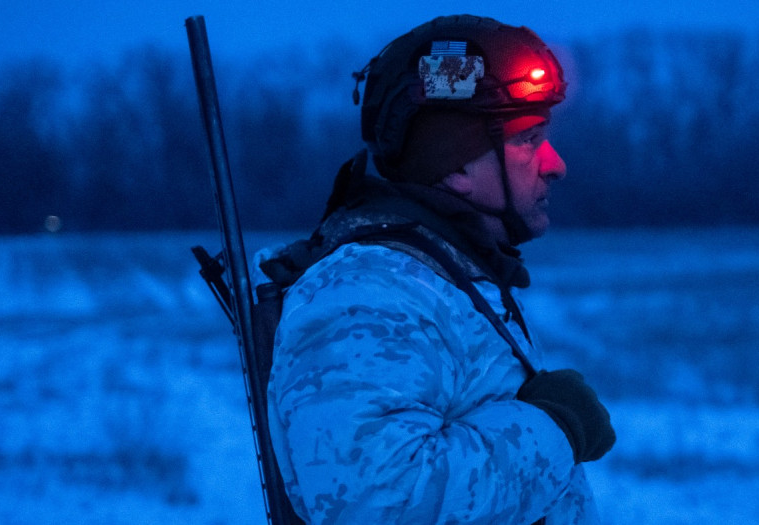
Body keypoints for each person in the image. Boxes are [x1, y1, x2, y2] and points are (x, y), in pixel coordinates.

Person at [256, 14, 615, 524]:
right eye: (527, 139)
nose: (554, 163)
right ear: (458, 165)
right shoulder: (368, 295)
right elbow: (379, 501)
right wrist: (555, 428)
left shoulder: (438, 280)